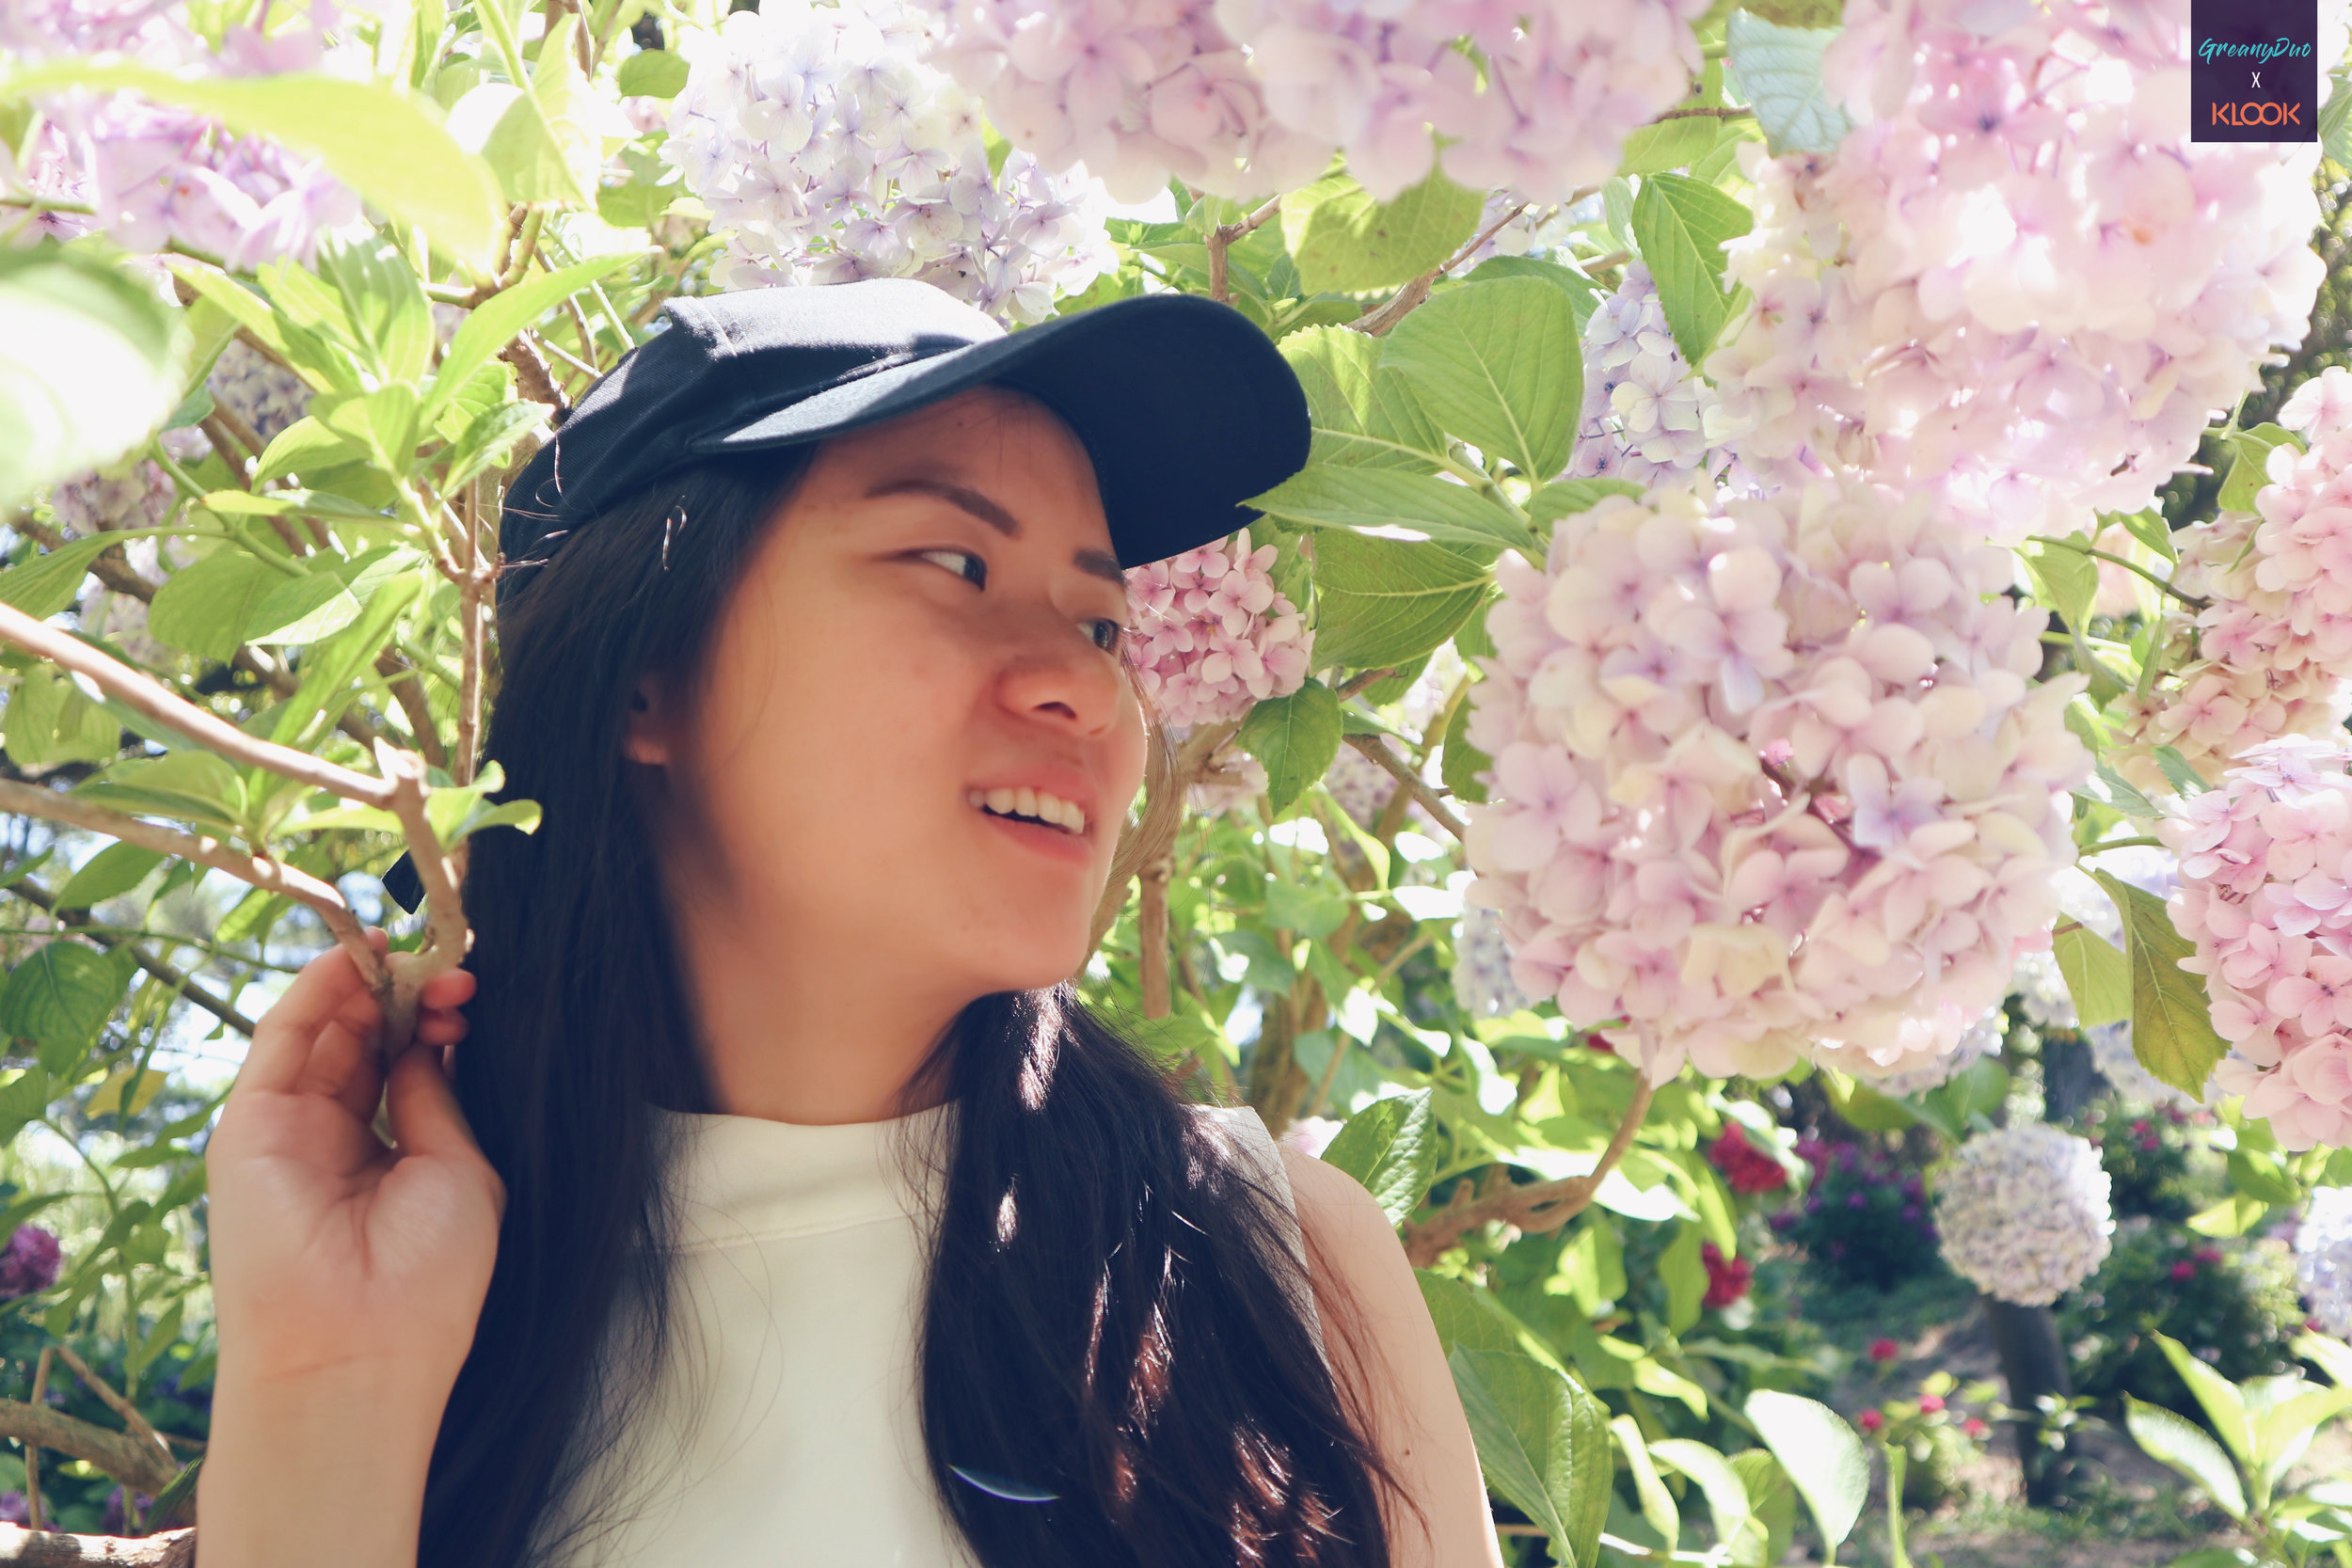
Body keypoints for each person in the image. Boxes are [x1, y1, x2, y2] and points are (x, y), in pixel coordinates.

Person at [196, 278, 1504, 1568]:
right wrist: (327, 1381)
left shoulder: (1274, 1259)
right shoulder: (434, 1308)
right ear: (645, 674)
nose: (1086, 691)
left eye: (1101, 622)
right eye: (955, 561)